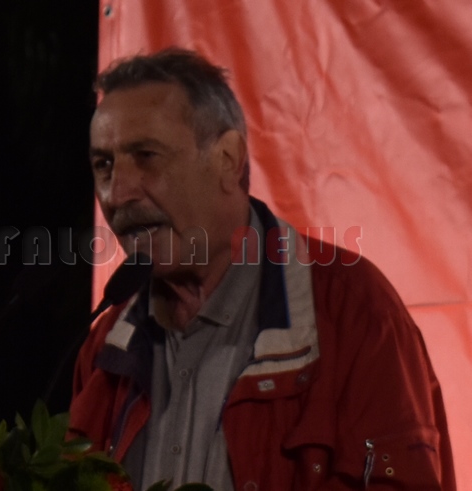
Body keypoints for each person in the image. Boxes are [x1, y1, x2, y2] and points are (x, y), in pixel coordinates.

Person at [68, 48, 456, 490]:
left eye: (146, 156)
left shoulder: (355, 312)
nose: (117, 194)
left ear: (228, 160)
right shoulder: (103, 346)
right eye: (104, 165)